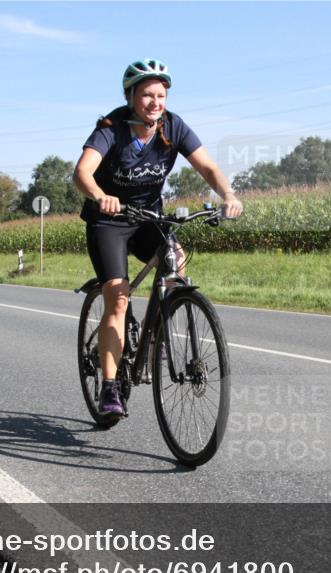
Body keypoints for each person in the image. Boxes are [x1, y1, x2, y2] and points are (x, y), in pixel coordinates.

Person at [73, 58, 243, 420]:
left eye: (161, 95)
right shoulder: (111, 128)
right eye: (147, 95)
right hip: (110, 221)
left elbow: (208, 167)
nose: (155, 102)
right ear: (131, 96)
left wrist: (228, 194)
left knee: (176, 258)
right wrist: (99, 195)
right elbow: (82, 172)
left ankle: (158, 329)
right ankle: (109, 388)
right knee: (118, 298)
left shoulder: (173, 126)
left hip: (149, 217)